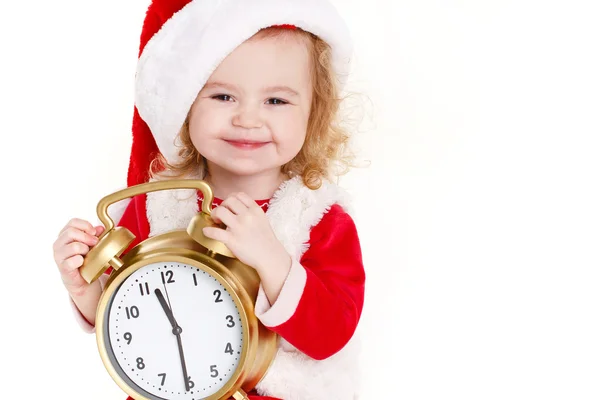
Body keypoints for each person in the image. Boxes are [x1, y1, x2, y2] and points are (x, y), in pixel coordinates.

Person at [52, 0, 366, 398]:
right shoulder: (157, 204)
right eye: (222, 97)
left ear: (314, 113)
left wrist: (272, 259)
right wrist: (83, 289)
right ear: (184, 106)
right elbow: (123, 315)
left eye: (276, 101)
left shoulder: (318, 220)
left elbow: (330, 335)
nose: (247, 119)